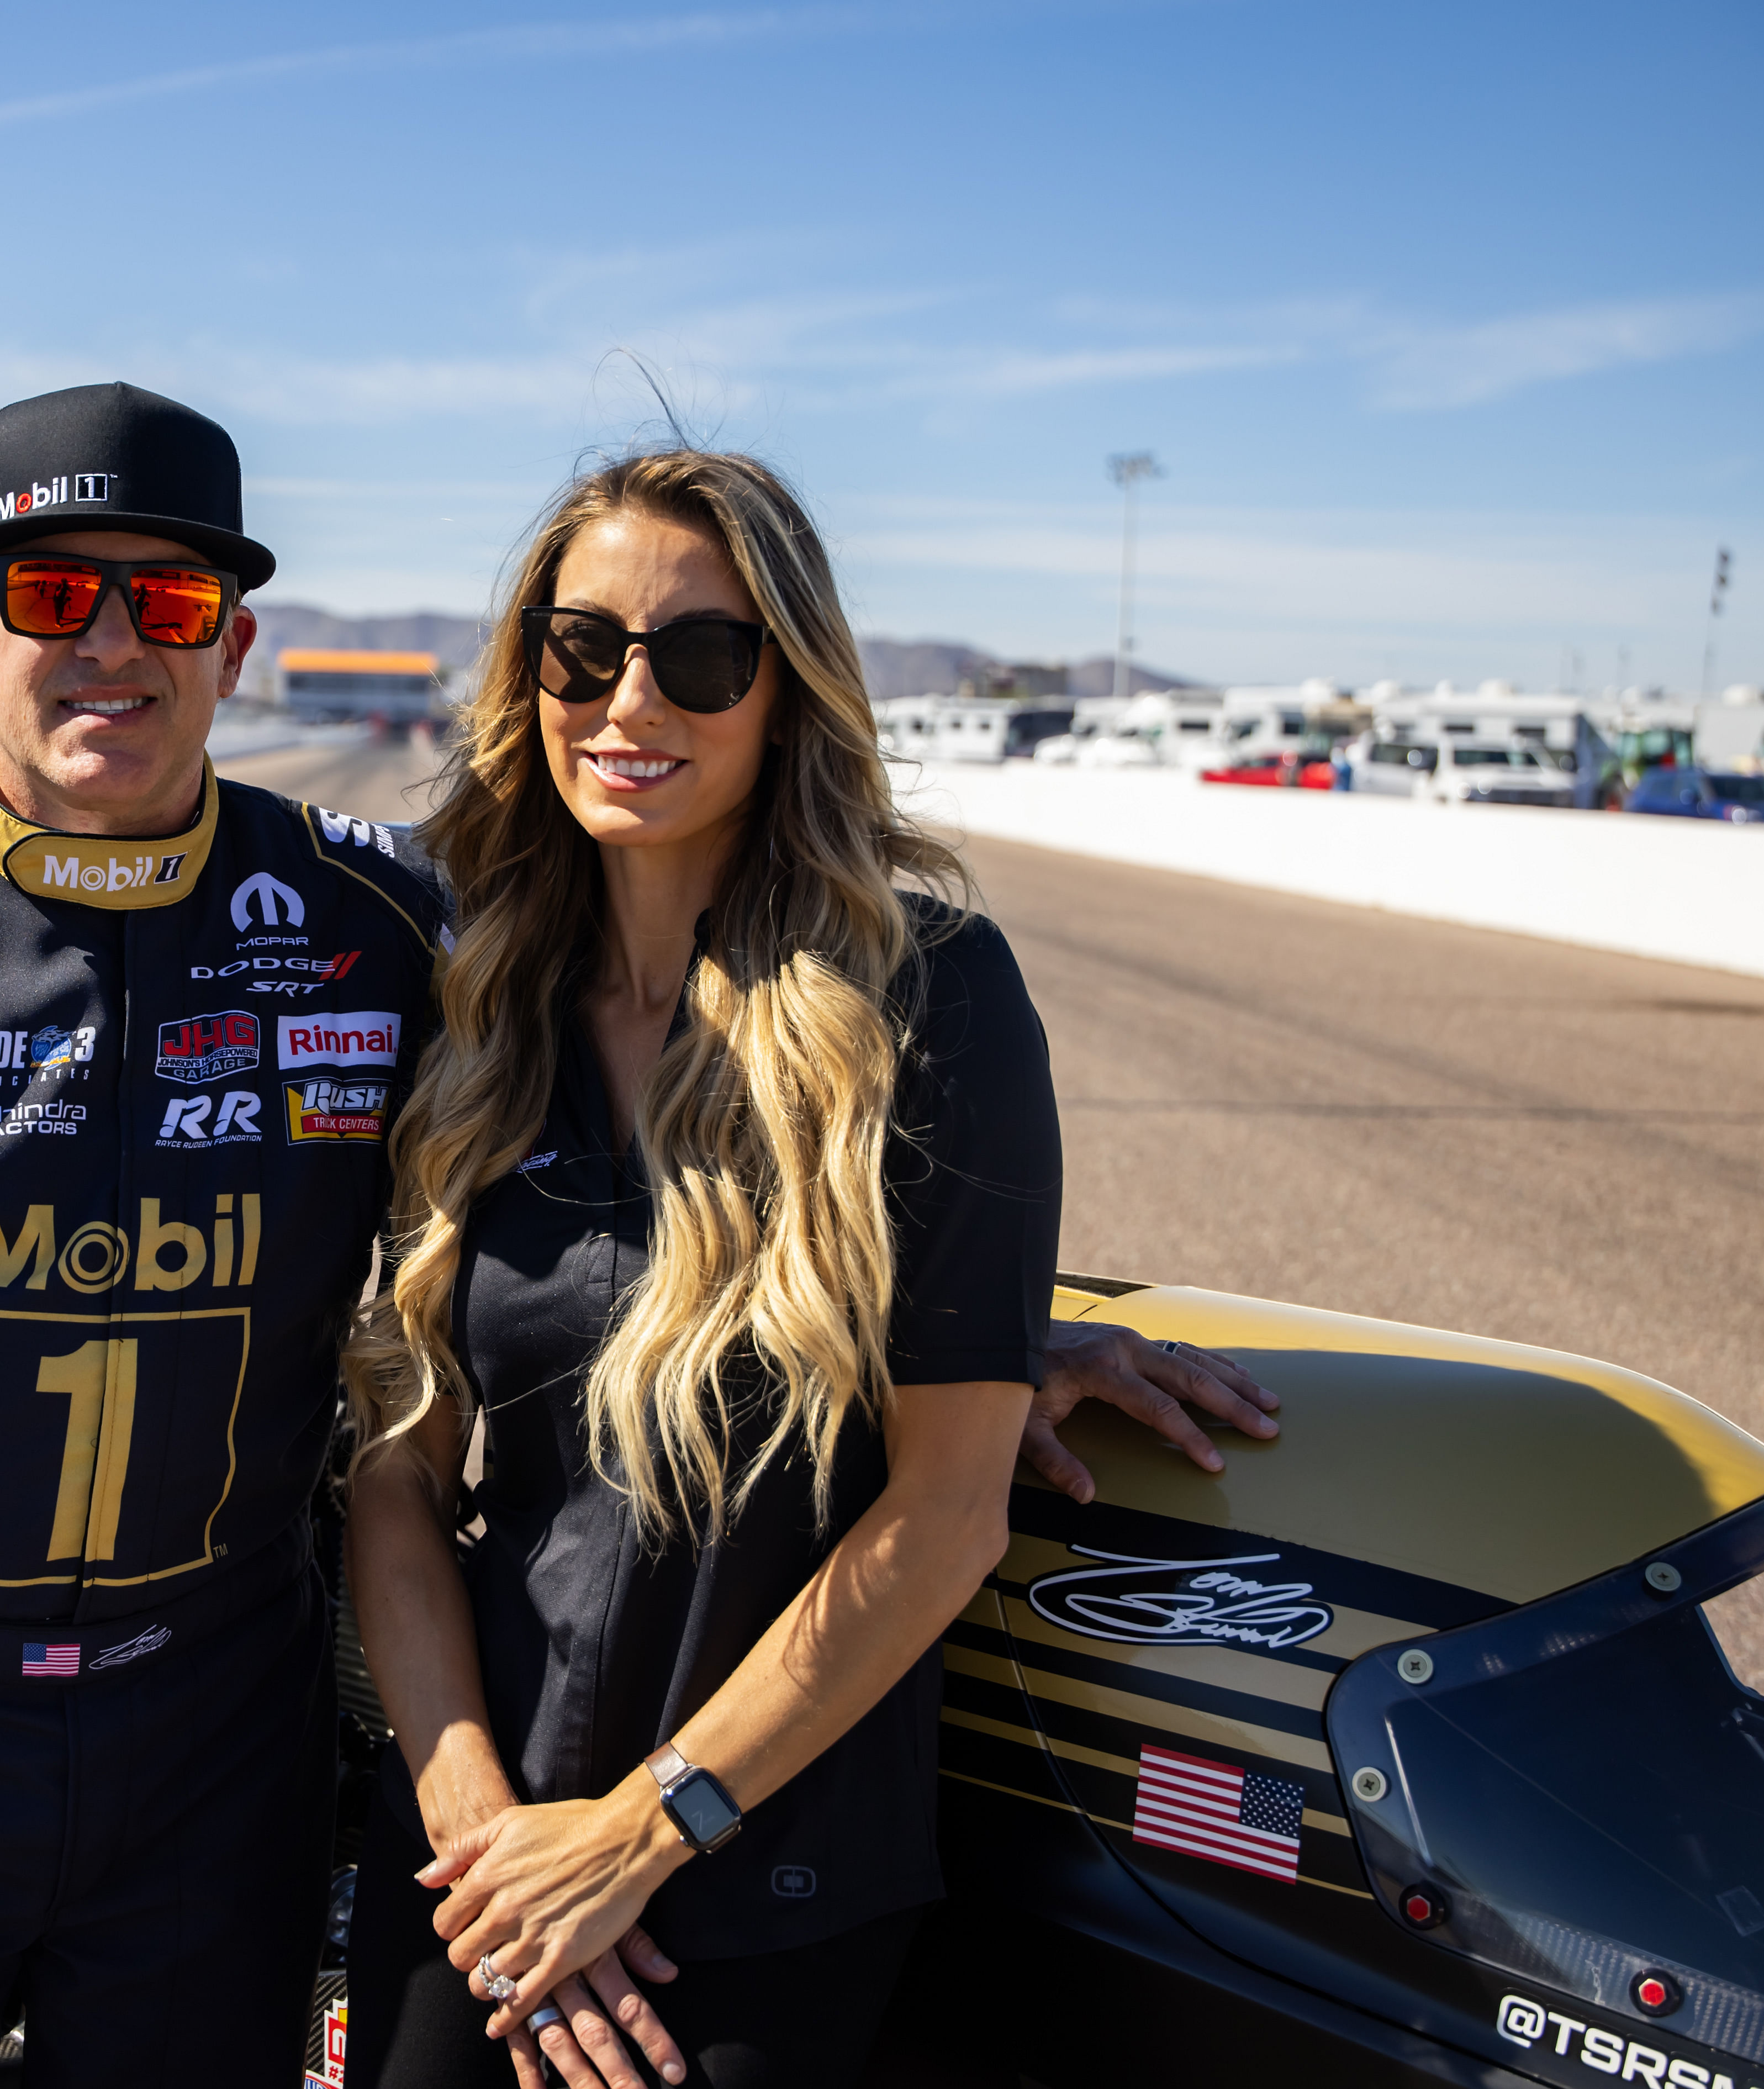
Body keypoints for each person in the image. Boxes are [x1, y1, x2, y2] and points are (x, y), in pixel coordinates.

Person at [0, 387, 1275, 2088]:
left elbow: (708, 1144)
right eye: (48, 595)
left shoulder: (392, 928)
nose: (107, 646)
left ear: (232, 647)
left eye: (165, 603)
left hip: (216, 1754)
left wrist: (988, 1338)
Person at [341, 448, 1174, 2088]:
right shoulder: (477, 1001)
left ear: (786, 693)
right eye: (582, 650)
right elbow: (394, 1472)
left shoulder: (925, 1000)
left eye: (700, 657)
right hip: (477, 1859)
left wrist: (643, 1835)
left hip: (751, 1881)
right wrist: (486, 1835)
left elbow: (942, 1511)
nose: (629, 700)